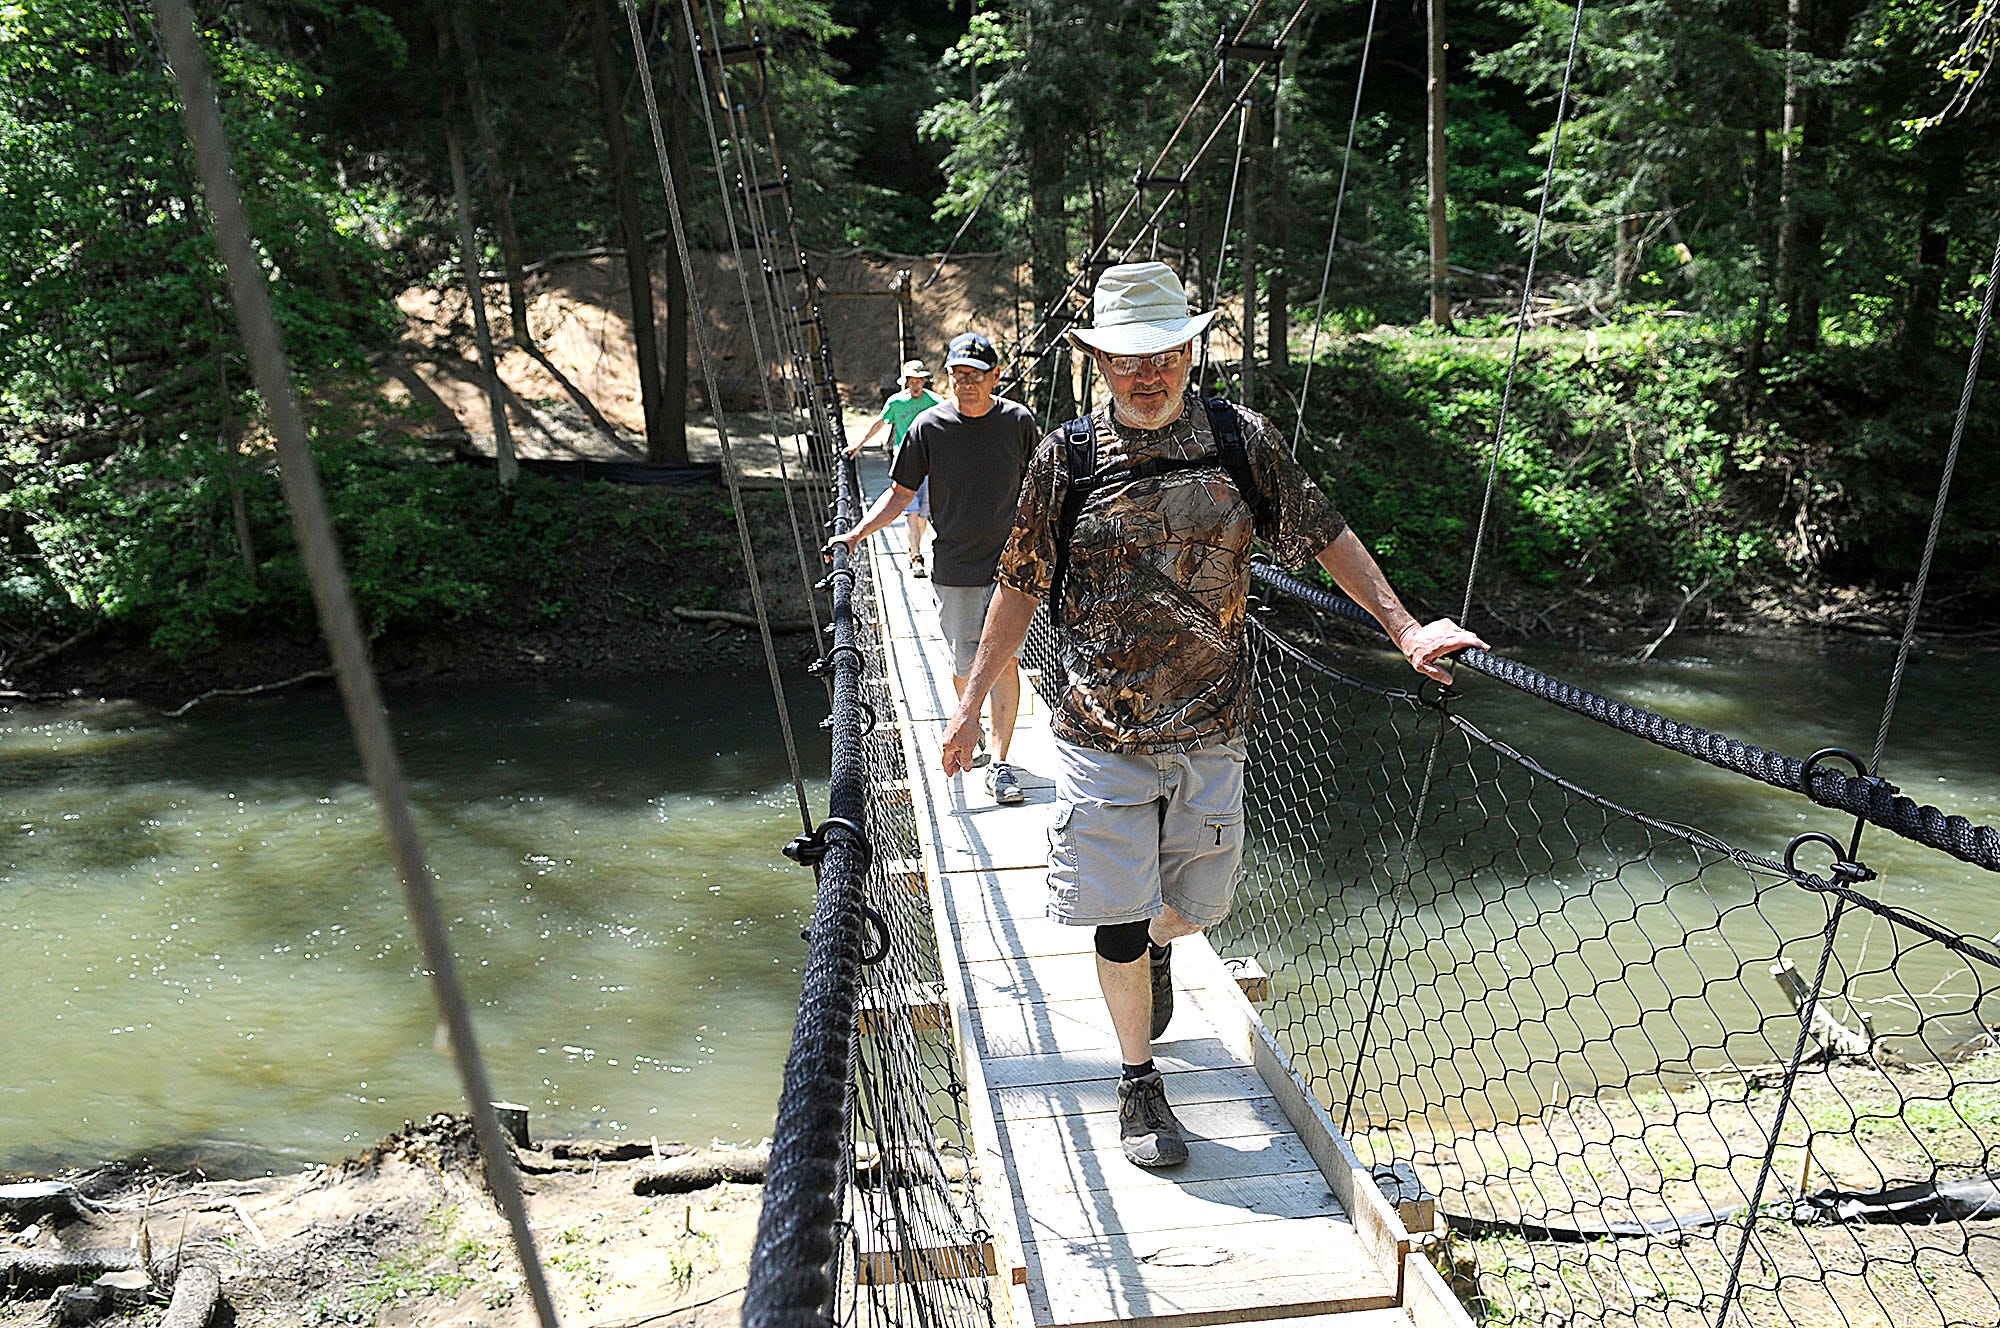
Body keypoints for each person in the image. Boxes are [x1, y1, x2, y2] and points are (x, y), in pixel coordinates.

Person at [938, 262, 1486, 1168]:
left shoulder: (1241, 442)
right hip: (1095, 727)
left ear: (1190, 352)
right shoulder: (1063, 460)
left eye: (1161, 354)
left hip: (1212, 723)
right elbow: (1020, 583)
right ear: (1097, 363)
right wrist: (967, 709)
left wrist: (1406, 629)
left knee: (1196, 908)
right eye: (1124, 359)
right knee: (1115, 912)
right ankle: (1138, 1082)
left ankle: (1158, 947)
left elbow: (1323, 533)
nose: (1144, 374)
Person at [828, 332, 1042, 805]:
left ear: (996, 377)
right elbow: (901, 495)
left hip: (1011, 569)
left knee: (1007, 660)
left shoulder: (1019, 422)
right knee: (967, 664)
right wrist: (856, 534)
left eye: (976, 375)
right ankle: (973, 722)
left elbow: (1044, 489)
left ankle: (1002, 762)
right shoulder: (929, 426)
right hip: (955, 567)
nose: (966, 384)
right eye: (958, 375)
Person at [846, 359, 943, 576]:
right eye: (913, 381)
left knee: (923, 514)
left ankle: (915, 549)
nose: (917, 385)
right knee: (911, 511)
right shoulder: (896, 402)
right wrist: (858, 445)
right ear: (906, 382)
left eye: (920, 381)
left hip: (930, 464)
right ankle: (916, 557)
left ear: (925, 381)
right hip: (906, 463)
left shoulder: (935, 402)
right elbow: (879, 423)